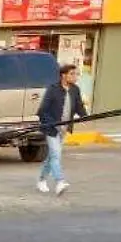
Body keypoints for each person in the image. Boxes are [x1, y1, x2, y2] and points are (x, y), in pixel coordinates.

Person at [36, 63, 87, 196]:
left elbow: (79, 106)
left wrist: (85, 116)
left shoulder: (75, 89)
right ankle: (60, 181)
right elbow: (42, 111)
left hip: (64, 129)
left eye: (76, 74)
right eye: (72, 74)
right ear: (63, 76)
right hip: (52, 129)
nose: (75, 77)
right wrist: (52, 124)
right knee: (56, 155)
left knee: (52, 156)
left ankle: (41, 180)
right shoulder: (53, 89)